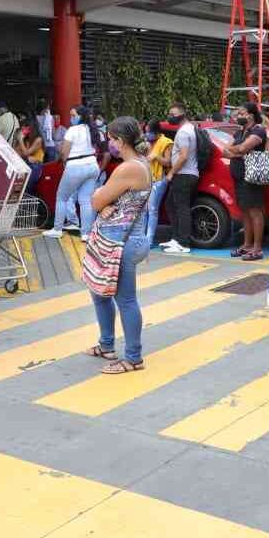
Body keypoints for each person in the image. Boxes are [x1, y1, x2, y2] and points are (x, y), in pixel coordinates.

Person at [84, 117, 153, 373]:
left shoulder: (128, 168)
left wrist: (103, 204)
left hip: (122, 244)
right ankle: (106, 345)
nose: (108, 143)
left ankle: (133, 358)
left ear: (120, 141)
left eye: (111, 139)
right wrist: (105, 204)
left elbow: (95, 201)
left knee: (125, 300)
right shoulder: (139, 163)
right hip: (120, 240)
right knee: (99, 292)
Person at [43, 105, 102, 240]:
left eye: (74, 115)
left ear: (82, 116)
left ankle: (57, 229)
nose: (71, 118)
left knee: (61, 198)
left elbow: (64, 151)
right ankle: (86, 234)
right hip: (92, 166)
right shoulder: (92, 129)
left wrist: (64, 161)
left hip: (75, 166)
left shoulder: (73, 130)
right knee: (85, 201)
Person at [223, 102, 268, 260]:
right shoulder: (239, 132)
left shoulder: (258, 131)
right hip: (239, 175)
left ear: (251, 115)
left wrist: (237, 151)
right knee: (244, 211)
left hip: (252, 176)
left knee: (255, 211)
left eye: (241, 113)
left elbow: (243, 148)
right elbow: (225, 149)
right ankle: (247, 245)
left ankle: (257, 248)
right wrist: (238, 152)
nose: (238, 116)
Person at [160, 102, 199, 255]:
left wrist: (171, 173)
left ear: (182, 114)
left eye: (173, 114)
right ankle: (176, 238)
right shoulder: (191, 129)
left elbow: (183, 156)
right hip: (187, 173)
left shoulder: (183, 132)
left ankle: (183, 242)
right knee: (171, 204)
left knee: (182, 208)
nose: (170, 116)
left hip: (183, 174)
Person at [144, 119, 173, 246]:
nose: (147, 134)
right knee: (144, 209)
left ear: (156, 132)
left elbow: (168, 162)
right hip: (147, 179)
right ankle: (142, 237)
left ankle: (149, 239)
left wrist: (156, 157)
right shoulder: (147, 142)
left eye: (148, 132)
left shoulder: (166, 142)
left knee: (152, 209)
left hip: (159, 179)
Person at [16, 116, 45, 193]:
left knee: (26, 189)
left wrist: (20, 140)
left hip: (35, 167)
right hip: (25, 164)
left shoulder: (38, 140)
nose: (23, 130)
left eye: (25, 127)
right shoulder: (26, 139)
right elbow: (17, 153)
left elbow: (26, 153)